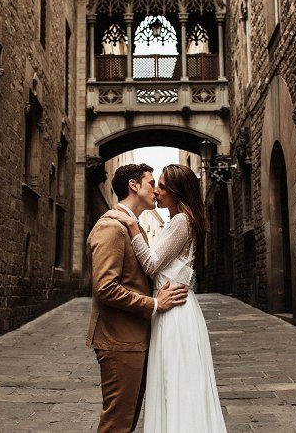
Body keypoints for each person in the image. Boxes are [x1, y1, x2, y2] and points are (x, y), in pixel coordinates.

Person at [106, 164, 227, 433]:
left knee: (176, 383)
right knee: (176, 382)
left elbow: (150, 264)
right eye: (156, 184)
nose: (156, 191)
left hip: (174, 312)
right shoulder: (180, 220)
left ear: (176, 191)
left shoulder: (181, 221)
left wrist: (133, 226)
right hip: (174, 308)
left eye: (161, 186)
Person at [86, 163, 189, 433]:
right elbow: (105, 287)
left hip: (133, 339)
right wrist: (155, 304)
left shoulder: (133, 227)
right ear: (134, 186)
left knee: (126, 423)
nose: (156, 190)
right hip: (119, 341)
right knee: (117, 425)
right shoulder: (112, 227)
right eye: (151, 183)